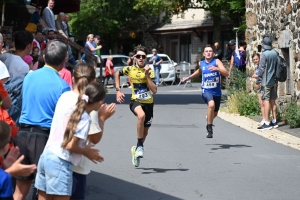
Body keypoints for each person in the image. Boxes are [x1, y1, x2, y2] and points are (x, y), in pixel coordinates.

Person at [13, 40, 70, 200]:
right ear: (63, 61)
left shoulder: (29, 77)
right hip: (44, 138)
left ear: (44, 56)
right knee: (44, 192)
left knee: (20, 190)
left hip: (22, 134)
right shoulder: (62, 86)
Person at [35, 82, 104, 200]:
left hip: (46, 156)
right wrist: (86, 152)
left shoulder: (73, 109)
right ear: (99, 103)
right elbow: (69, 145)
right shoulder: (85, 118)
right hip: (60, 162)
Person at [115, 45, 157, 167]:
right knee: (141, 116)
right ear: (134, 57)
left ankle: (137, 149)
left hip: (149, 103)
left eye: (143, 56)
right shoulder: (129, 69)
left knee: (146, 131)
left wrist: (147, 75)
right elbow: (117, 73)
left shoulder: (150, 70)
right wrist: (118, 90)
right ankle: (140, 146)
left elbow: (154, 90)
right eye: (138, 56)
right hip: (135, 101)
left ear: (146, 58)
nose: (140, 58)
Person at [182, 44, 229, 138]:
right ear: (203, 53)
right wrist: (188, 77)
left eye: (210, 51)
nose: (208, 53)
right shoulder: (201, 63)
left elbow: (226, 73)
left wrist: (217, 69)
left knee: (215, 113)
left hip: (217, 91)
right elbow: (199, 71)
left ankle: (209, 118)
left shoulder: (217, 61)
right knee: (211, 105)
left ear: (213, 53)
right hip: (206, 90)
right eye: (206, 51)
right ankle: (209, 128)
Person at [256, 37, 278, 130]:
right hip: (274, 80)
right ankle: (274, 121)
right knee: (273, 100)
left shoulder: (264, 54)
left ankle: (267, 122)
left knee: (266, 101)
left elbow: (261, 69)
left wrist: (258, 80)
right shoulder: (275, 53)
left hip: (266, 81)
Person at [251, 53, 266, 127]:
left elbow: (263, 75)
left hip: (263, 86)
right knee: (260, 103)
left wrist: (255, 76)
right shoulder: (257, 67)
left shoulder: (262, 66)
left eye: (256, 59)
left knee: (264, 103)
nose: (255, 60)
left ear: (259, 58)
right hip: (259, 87)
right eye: (254, 59)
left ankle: (266, 119)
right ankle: (263, 118)